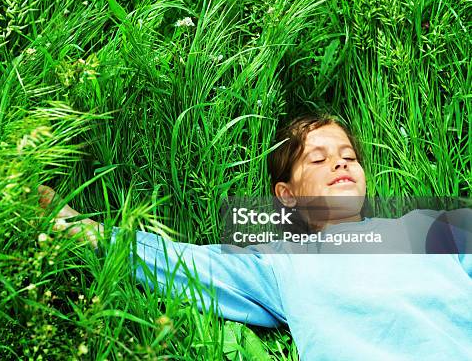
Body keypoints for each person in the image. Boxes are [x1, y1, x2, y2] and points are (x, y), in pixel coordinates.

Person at [38, 115, 472, 360]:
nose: (340, 164)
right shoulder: (282, 262)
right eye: (318, 160)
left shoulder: (424, 225)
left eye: (348, 157)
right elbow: (183, 264)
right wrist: (75, 225)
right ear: (287, 196)